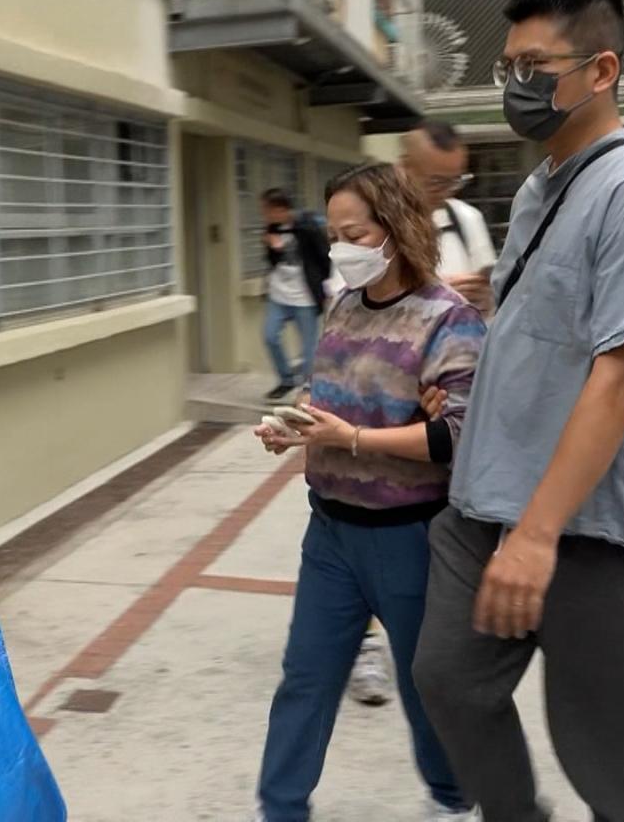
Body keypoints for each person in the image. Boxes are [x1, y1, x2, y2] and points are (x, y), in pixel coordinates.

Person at [412, 0, 624, 822]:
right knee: (447, 678)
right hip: (487, 502)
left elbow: (622, 372)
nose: (515, 85)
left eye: (534, 68)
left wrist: (537, 537)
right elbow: (554, 322)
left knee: (604, 748)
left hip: (592, 529)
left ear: (602, 71)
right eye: (508, 68)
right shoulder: (542, 190)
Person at [251, 163, 485, 822]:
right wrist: (294, 423)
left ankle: (451, 800)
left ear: (397, 227)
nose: (341, 249)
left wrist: (353, 438)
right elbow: (324, 391)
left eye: (355, 233)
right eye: (335, 234)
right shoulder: (342, 304)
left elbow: (454, 436)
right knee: (306, 678)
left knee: (424, 689)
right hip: (329, 533)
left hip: (408, 537)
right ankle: (280, 809)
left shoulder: (449, 319)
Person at [347, 119, 500, 708]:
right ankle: (364, 643)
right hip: (380, 398)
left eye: (453, 178)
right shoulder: (365, 228)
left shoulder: (466, 222)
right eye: (432, 178)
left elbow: (486, 303)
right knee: (363, 517)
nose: (443, 189)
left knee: (436, 521)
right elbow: (349, 315)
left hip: (446, 397)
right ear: (403, 166)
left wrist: (481, 296)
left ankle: (430, 636)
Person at [401, 119, 498, 313]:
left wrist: (484, 300)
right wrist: (434, 295)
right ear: (405, 168)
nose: (447, 192)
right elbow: (347, 309)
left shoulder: (467, 218)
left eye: (455, 180)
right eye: (436, 182)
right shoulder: (370, 224)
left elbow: (487, 307)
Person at [260, 188, 330, 401]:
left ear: (281, 209)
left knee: (309, 349)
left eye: (268, 210)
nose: (265, 214)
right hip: (279, 296)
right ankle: (286, 379)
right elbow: (272, 262)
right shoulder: (272, 228)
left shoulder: (307, 227)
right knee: (270, 336)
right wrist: (273, 249)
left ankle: (308, 392)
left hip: (304, 298)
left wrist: (326, 287)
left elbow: (324, 257)